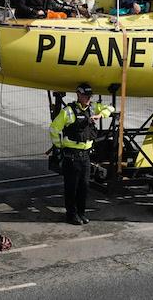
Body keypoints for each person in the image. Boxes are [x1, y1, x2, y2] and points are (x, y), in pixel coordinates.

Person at [49, 83, 113, 225]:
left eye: (90, 96)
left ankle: (81, 213)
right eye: (85, 96)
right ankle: (71, 215)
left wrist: (100, 115)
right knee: (71, 188)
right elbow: (54, 129)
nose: (88, 99)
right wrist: (59, 146)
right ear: (78, 95)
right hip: (71, 156)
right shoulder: (68, 111)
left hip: (85, 156)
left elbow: (111, 108)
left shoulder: (92, 108)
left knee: (84, 187)